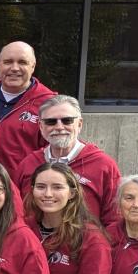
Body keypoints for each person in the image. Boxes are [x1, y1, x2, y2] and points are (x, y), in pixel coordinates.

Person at [16, 95, 122, 228]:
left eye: (67, 121)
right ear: (41, 126)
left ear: (79, 124)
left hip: (84, 246)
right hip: (35, 244)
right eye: (51, 122)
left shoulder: (103, 165)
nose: (59, 127)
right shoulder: (28, 164)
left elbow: (114, 220)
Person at [0, 41, 55, 180]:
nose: (14, 68)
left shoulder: (50, 105)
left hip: (24, 189)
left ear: (33, 66)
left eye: (22, 62)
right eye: (8, 62)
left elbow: (55, 154)